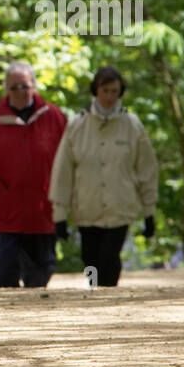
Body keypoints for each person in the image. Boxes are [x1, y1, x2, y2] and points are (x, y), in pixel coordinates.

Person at [48, 65, 158, 288]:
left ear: (120, 93)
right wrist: (59, 213)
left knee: (109, 257)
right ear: (95, 90)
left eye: (114, 92)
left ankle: (108, 296)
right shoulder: (77, 125)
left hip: (120, 207)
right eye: (105, 90)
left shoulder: (132, 125)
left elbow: (147, 169)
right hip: (86, 206)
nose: (109, 97)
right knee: (90, 258)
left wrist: (149, 211)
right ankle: (94, 294)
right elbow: (63, 171)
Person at [0, 61, 68, 288]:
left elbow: (71, 158)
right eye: (14, 87)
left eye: (24, 86)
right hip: (6, 212)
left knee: (42, 271)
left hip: (43, 211)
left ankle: (32, 320)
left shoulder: (54, 116)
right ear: (5, 89)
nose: (20, 92)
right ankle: (3, 321)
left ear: (34, 85)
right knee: (4, 277)